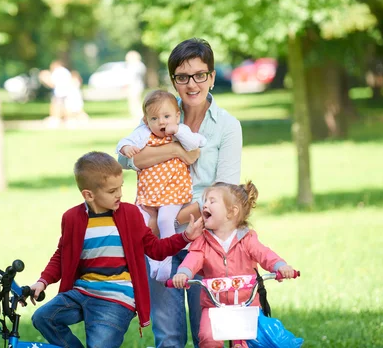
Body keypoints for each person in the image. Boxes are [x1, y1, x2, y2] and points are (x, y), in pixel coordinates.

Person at [117, 38, 242, 348]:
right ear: (174, 80)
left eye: (200, 75)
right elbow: (127, 159)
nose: (192, 84)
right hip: (160, 245)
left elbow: (225, 194)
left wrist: (171, 216)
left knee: (208, 336)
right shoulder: (163, 112)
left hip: (206, 242)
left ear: (212, 77)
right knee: (169, 337)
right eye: (183, 77)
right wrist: (178, 150)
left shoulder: (227, 126)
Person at [28, 151, 204, 348]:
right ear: (89, 194)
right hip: (81, 292)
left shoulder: (130, 214)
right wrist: (43, 282)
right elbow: (62, 255)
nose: (119, 194)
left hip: (117, 298)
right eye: (112, 191)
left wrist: (185, 237)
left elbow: (155, 249)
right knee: (43, 318)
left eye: (120, 187)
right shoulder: (72, 218)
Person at [172, 181, 297, 348]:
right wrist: (184, 273)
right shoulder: (202, 241)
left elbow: (264, 254)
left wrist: (280, 266)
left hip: (246, 305)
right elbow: (193, 258)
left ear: (231, 212)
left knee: (245, 342)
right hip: (214, 306)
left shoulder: (247, 239)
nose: (205, 204)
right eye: (205, 200)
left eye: (212, 201)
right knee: (208, 337)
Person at [116, 89, 207, 282]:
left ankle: (165, 260)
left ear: (177, 116)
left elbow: (195, 144)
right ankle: (152, 260)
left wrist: (179, 132)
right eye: (155, 118)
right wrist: (126, 148)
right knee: (141, 225)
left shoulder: (180, 131)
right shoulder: (143, 133)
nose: (162, 122)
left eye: (166, 116)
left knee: (165, 220)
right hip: (148, 193)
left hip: (173, 191)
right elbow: (122, 145)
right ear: (146, 120)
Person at [39, 60, 72, 126]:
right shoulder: (66, 71)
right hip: (66, 92)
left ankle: (56, 119)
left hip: (59, 92)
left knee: (56, 105)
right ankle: (67, 119)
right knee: (65, 106)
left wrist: (44, 78)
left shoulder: (57, 72)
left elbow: (52, 83)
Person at [125, 50, 146, 119]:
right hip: (135, 85)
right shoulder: (136, 65)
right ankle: (134, 113)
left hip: (136, 85)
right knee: (133, 100)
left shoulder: (137, 65)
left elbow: (131, 76)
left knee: (135, 99)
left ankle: (138, 114)